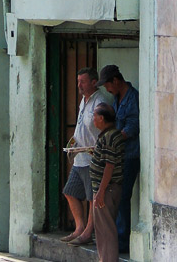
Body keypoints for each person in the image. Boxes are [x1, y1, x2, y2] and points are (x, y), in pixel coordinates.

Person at [62, 67, 108, 245]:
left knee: (91, 197)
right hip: (79, 156)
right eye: (78, 81)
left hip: (93, 157)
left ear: (93, 82)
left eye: (83, 81)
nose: (79, 85)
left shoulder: (101, 101)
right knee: (70, 192)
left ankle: (89, 231)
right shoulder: (83, 100)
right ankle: (79, 228)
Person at [98, 64, 140, 255]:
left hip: (130, 155)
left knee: (123, 196)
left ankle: (123, 239)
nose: (107, 90)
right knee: (115, 196)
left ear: (116, 80)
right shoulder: (116, 99)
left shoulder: (132, 98)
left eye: (108, 85)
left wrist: (115, 138)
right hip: (119, 155)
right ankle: (117, 237)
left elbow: (132, 126)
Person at [90, 103, 125, 262]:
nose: (93, 120)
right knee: (103, 230)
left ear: (102, 118)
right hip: (106, 189)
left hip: (107, 189)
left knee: (106, 231)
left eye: (95, 116)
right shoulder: (110, 135)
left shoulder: (110, 137)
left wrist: (101, 192)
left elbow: (109, 166)